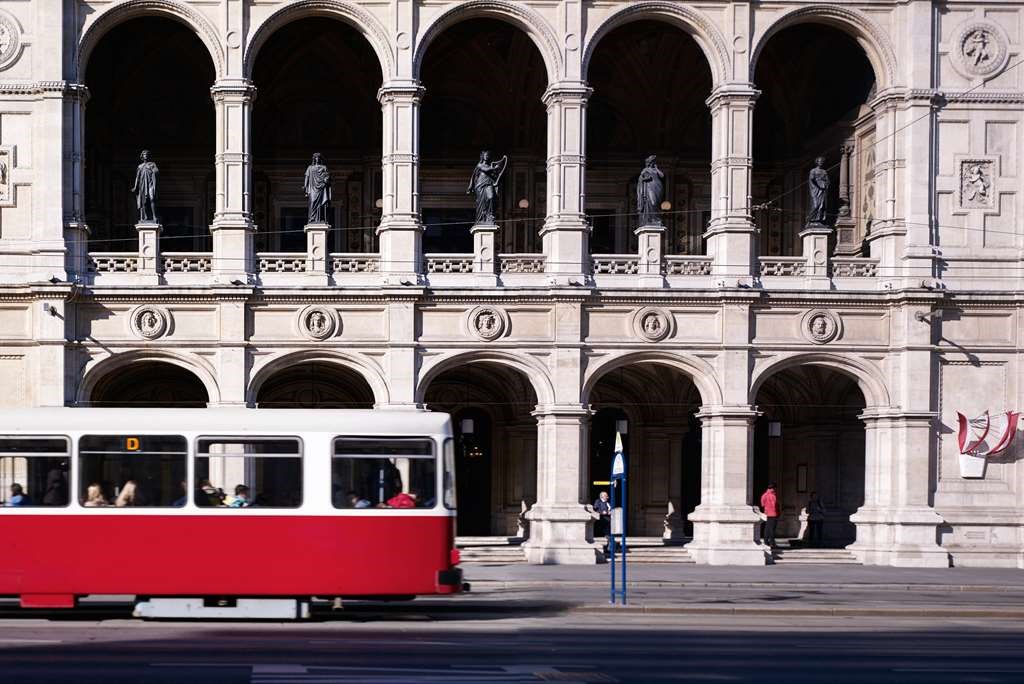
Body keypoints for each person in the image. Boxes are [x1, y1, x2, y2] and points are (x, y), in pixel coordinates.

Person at [467, 150, 508, 224]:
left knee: (491, 197)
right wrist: (495, 168)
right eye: (485, 155)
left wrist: (497, 174)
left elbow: (496, 176)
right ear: (482, 156)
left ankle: (490, 216)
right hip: (480, 185)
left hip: (489, 183)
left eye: (488, 155)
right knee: (482, 202)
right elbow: (485, 169)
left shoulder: (491, 165)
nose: (487, 156)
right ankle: (482, 218)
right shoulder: (479, 165)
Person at [636, 155, 665, 226]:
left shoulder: (656, 170)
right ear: (649, 163)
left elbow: (662, 175)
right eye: (652, 162)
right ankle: (650, 219)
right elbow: (641, 179)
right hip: (649, 188)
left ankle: (655, 219)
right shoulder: (645, 170)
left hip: (657, 187)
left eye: (654, 162)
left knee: (657, 203)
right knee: (652, 202)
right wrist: (645, 178)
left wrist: (657, 168)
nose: (653, 163)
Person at [131, 149, 159, 223]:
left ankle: (154, 216)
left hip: (150, 184)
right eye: (144, 154)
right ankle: (145, 216)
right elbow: (137, 177)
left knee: (152, 198)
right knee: (144, 201)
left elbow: (156, 172)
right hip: (142, 185)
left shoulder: (152, 164)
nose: (145, 155)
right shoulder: (140, 166)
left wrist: (153, 170)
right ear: (142, 156)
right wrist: (135, 186)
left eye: (147, 154)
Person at [303, 152, 332, 223]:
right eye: (316, 157)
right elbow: (307, 177)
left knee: (321, 203)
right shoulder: (310, 168)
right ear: (314, 159)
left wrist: (326, 180)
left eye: (318, 157)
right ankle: (312, 219)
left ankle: (320, 219)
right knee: (312, 202)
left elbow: (328, 176)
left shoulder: (324, 167)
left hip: (321, 187)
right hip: (313, 188)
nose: (317, 158)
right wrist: (305, 186)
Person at [760, 482, 779, 548]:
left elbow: (762, 504)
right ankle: (772, 543)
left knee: (767, 528)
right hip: (773, 514)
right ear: (773, 488)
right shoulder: (773, 495)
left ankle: (766, 541)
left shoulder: (764, 495)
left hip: (767, 513)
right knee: (772, 529)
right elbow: (774, 505)